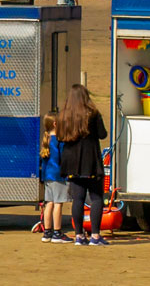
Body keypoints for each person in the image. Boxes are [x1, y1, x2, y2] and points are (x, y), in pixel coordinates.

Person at [55, 83, 110, 246]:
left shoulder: (64, 115)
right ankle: (95, 235)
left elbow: (59, 137)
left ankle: (79, 235)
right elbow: (102, 134)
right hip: (90, 159)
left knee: (77, 199)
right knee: (96, 197)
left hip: (71, 160)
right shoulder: (92, 113)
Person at [38, 112, 71, 243]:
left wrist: (42, 177)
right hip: (58, 176)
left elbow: (43, 162)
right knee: (58, 204)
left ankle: (47, 232)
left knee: (49, 203)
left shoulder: (46, 141)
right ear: (56, 124)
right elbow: (62, 159)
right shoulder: (59, 141)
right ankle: (57, 232)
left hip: (48, 177)